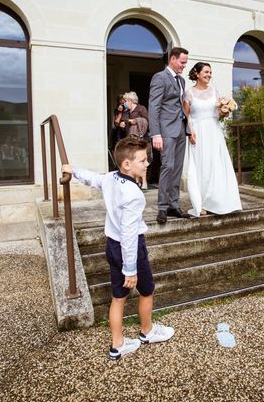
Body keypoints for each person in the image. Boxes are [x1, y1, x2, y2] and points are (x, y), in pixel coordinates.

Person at [61, 137, 174, 360]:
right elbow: (130, 235)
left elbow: (92, 178)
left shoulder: (111, 178)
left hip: (112, 246)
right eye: (143, 160)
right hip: (129, 249)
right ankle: (147, 331)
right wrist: (130, 268)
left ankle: (117, 344)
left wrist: (73, 171)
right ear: (126, 165)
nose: (147, 164)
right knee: (147, 290)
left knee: (118, 298)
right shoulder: (133, 195)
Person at [183, 62, 242, 217]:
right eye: (206, 72)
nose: (209, 75)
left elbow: (218, 115)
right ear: (197, 73)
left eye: (210, 72)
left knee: (216, 165)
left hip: (214, 131)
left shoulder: (214, 91)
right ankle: (200, 204)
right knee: (201, 167)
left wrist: (224, 111)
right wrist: (190, 132)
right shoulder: (189, 93)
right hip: (198, 133)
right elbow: (186, 116)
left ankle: (218, 202)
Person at [148, 47, 192, 223]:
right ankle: (162, 207)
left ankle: (174, 205)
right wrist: (155, 134)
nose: (184, 66)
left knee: (178, 168)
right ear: (172, 59)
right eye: (182, 62)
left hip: (181, 129)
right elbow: (154, 107)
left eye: (185, 63)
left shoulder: (181, 80)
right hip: (166, 131)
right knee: (167, 166)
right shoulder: (160, 77)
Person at [120, 91, 152, 189]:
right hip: (130, 139)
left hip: (142, 139)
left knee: (142, 160)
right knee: (133, 160)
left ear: (131, 101)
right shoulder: (126, 111)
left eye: (125, 101)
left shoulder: (141, 109)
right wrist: (123, 124)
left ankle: (144, 181)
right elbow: (123, 122)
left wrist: (135, 121)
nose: (124, 103)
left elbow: (147, 122)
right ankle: (136, 181)